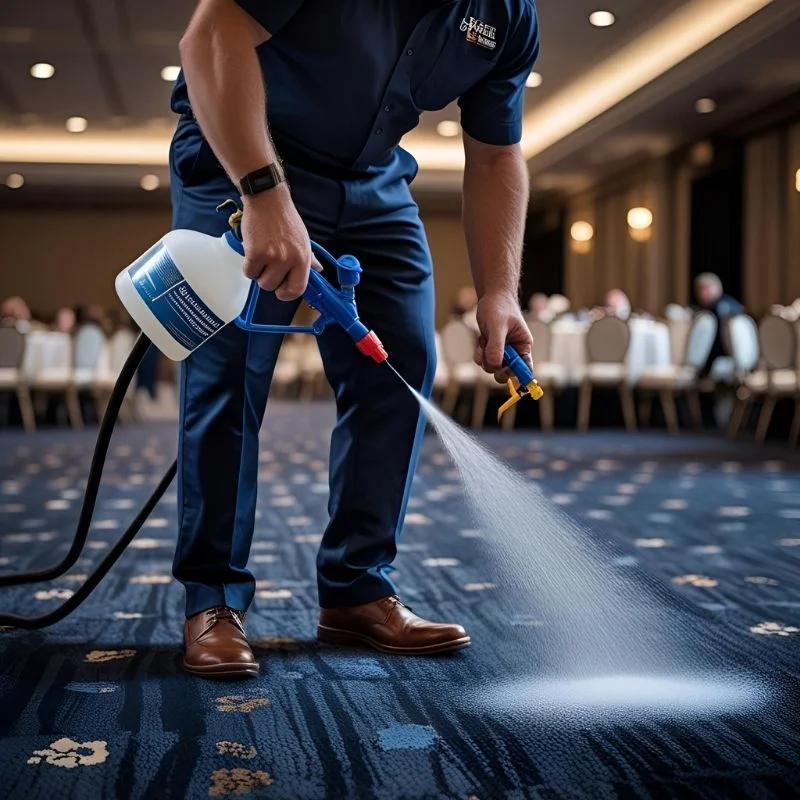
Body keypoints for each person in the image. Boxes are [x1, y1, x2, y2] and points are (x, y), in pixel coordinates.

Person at [172, 0, 539, 678]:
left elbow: (496, 156)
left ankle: (356, 588)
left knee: (402, 360)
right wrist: (264, 194)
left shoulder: (509, 14)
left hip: (373, 178)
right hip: (245, 153)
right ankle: (213, 597)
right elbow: (210, 36)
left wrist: (499, 290)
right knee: (228, 369)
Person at [694, 272, 744, 372]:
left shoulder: (724, 307)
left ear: (717, 288)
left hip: (725, 360)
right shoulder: (706, 310)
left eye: (706, 289)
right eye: (700, 290)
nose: (703, 294)